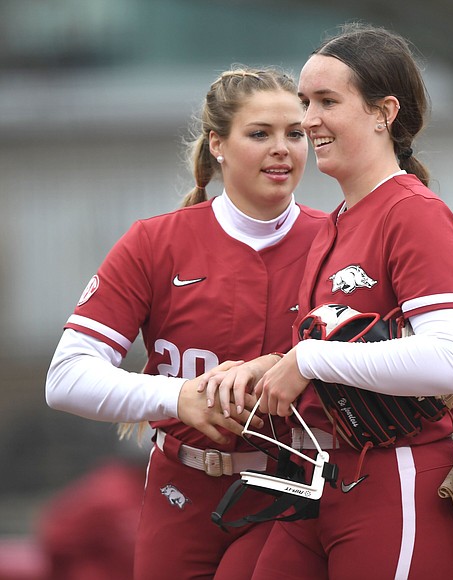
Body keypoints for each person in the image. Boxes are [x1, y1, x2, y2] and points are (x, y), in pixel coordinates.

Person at [203, 24, 453, 579]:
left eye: (327, 101)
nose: (307, 120)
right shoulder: (338, 223)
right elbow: (340, 346)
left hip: (402, 480)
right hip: (328, 478)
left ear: (383, 113)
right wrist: (273, 365)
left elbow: (448, 362)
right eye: (305, 101)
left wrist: (306, 360)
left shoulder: (413, 213)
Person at [45, 66, 329, 580]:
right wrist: (177, 398)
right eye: (260, 133)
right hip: (181, 488)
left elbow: (433, 331)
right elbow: (66, 378)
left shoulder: (337, 239)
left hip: (294, 492)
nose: (282, 149)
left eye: (296, 134)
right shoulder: (156, 243)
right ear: (217, 143)